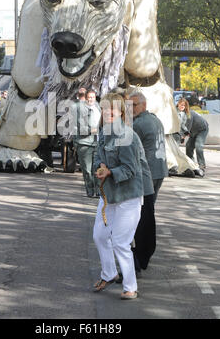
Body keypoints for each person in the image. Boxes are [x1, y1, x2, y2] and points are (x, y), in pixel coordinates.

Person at [92, 93, 144, 300]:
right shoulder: (104, 133)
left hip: (129, 196)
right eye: (104, 109)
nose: (107, 113)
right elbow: (98, 156)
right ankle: (109, 273)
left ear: (121, 111)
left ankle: (130, 286)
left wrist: (111, 172)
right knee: (100, 236)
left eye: (111, 109)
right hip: (109, 195)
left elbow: (131, 169)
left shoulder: (127, 135)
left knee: (121, 242)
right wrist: (100, 167)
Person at [126, 89, 168, 272]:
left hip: (147, 174)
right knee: (147, 214)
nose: (131, 109)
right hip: (159, 171)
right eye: (128, 106)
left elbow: (130, 151)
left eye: (134, 105)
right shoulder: (155, 120)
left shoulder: (138, 125)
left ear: (143, 105)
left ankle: (138, 257)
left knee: (140, 217)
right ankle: (143, 253)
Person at [72, 89, 101, 197]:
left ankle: (98, 190)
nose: (91, 99)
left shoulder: (97, 107)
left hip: (97, 143)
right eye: (89, 97)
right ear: (85, 98)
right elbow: (82, 129)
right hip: (85, 144)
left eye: (93, 97)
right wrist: (93, 130)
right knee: (87, 170)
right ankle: (90, 190)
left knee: (97, 168)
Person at [177, 98, 209, 173]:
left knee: (198, 146)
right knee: (188, 146)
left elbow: (187, 128)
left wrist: (182, 137)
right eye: (181, 105)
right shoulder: (178, 113)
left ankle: (202, 166)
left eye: (184, 105)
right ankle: (191, 164)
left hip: (202, 129)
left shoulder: (189, 114)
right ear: (178, 104)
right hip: (193, 131)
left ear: (186, 106)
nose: (182, 106)